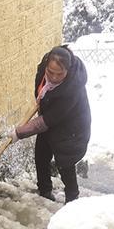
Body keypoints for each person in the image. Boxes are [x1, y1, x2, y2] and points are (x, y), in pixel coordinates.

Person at [9, 45, 91, 203]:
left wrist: (19, 133)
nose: (53, 77)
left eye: (58, 74)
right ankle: (44, 192)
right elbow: (41, 92)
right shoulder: (43, 69)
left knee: (65, 162)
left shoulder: (72, 89)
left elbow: (49, 120)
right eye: (50, 72)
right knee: (41, 154)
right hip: (49, 118)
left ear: (67, 71)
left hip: (71, 125)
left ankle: (72, 200)